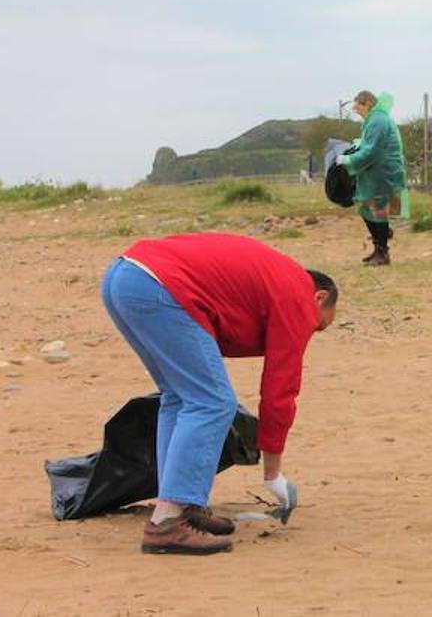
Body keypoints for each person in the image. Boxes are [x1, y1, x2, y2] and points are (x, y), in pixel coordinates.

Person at [100, 232, 338, 555]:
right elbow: (280, 389)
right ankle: (167, 523)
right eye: (317, 326)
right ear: (320, 298)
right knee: (212, 402)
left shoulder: (275, 277)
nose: (308, 331)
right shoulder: (298, 294)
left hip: (123, 277)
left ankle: (182, 505)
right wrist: (273, 475)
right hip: (158, 285)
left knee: (179, 396)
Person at [337, 91, 409, 266]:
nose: (357, 110)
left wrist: (348, 159)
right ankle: (378, 247)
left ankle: (383, 253)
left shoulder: (378, 120)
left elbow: (373, 151)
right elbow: (370, 144)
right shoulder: (374, 119)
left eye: (358, 106)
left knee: (379, 211)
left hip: (383, 172)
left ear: (368, 103)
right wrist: (359, 144)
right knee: (366, 208)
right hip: (375, 172)